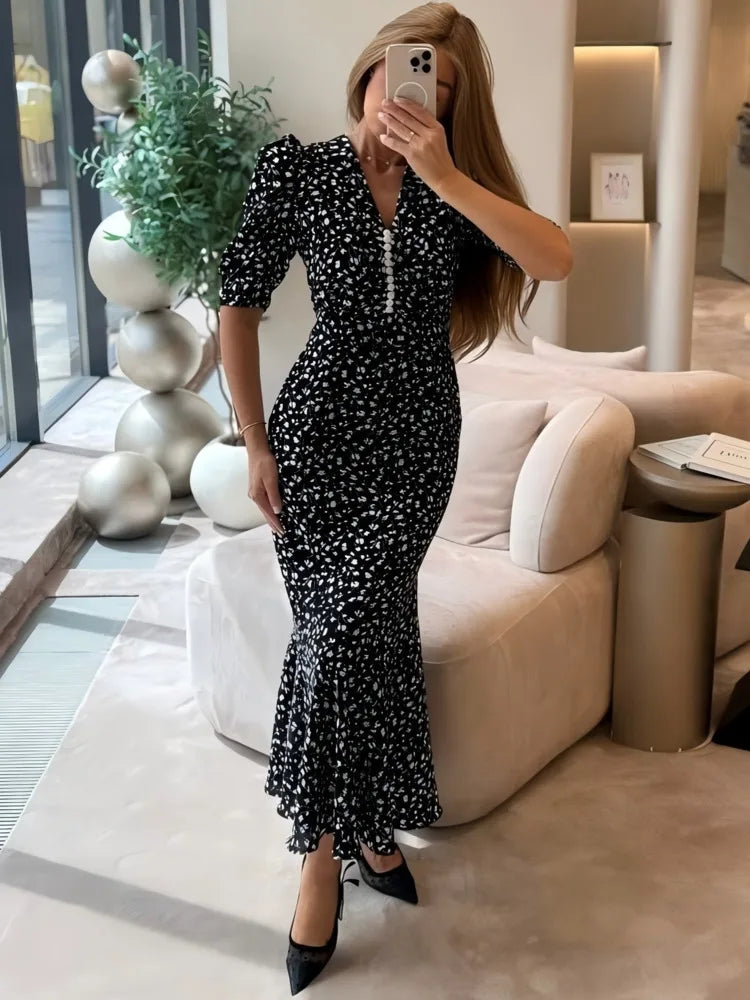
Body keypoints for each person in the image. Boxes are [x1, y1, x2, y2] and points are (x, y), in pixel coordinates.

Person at [218, 3, 572, 993]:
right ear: (370, 70)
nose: (410, 95)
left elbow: (554, 258)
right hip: (314, 434)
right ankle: (368, 832)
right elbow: (237, 304)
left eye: (438, 90)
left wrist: (447, 177)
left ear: (452, 110)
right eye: (401, 71)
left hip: (414, 443)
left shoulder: (454, 189)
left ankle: (317, 859)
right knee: (359, 637)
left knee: (343, 632)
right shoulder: (298, 171)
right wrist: (254, 441)